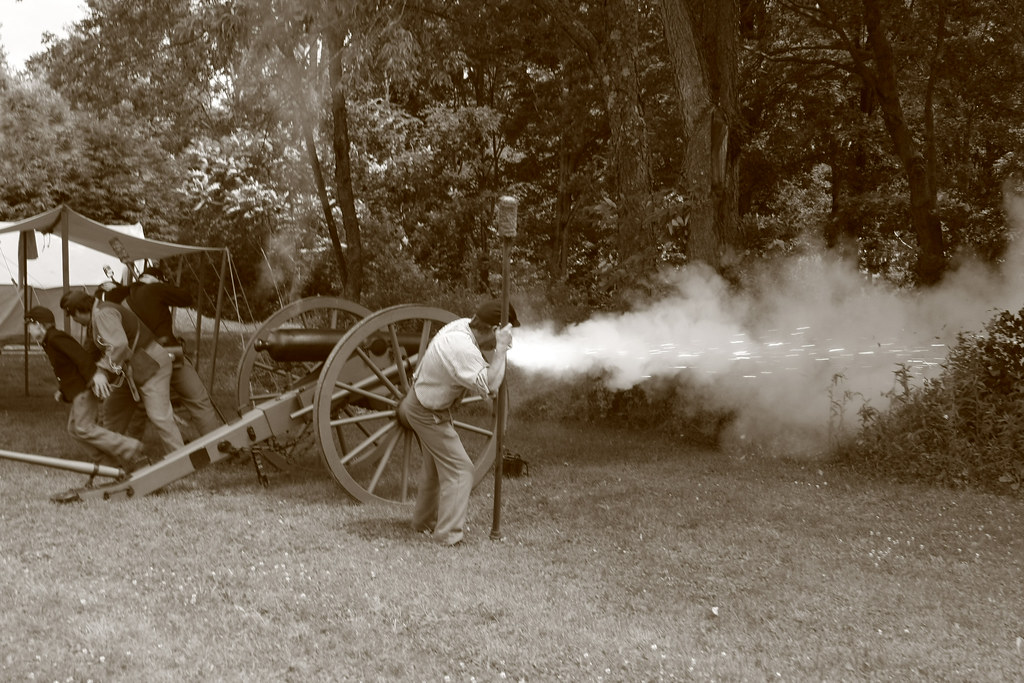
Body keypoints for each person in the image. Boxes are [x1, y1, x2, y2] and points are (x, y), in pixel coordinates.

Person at [397, 299, 519, 546]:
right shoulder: (461, 348)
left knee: (434, 469)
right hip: (426, 412)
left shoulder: (462, 327)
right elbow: (491, 384)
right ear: (494, 330)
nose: (509, 339)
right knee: (461, 470)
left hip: (421, 403)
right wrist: (501, 350)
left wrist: (498, 350)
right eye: (505, 334)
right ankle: (448, 536)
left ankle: (423, 523)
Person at [59, 290, 185, 456]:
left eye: (72, 315)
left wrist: (102, 371)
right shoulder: (96, 318)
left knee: (159, 416)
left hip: (150, 364)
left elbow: (118, 345)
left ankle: (183, 458)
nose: (74, 320)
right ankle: (114, 459)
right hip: (131, 369)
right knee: (112, 413)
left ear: (78, 311)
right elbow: (89, 352)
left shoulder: (103, 315)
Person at [24, 305, 149, 472]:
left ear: (39, 325)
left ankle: (131, 447)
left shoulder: (56, 337)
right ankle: (109, 465)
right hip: (76, 392)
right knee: (74, 429)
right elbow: (68, 369)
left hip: (84, 389)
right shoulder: (49, 341)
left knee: (84, 428)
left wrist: (95, 376)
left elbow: (81, 356)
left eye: (29, 327)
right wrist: (63, 390)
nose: (29, 332)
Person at [115, 265, 222, 436]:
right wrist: (161, 286)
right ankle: (217, 443)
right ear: (158, 280)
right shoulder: (155, 288)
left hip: (142, 359)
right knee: (198, 400)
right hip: (169, 352)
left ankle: (131, 449)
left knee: (141, 407)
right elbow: (186, 298)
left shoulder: (122, 296)